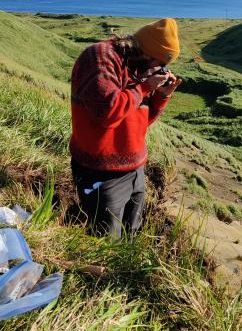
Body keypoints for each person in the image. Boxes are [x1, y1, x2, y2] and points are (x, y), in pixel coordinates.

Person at [69, 18, 181, 238]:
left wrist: (159, 96)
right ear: (146, 53)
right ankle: (99, 273)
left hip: (135, 168)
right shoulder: (100, 58)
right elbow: (106, 114)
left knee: (131, 233)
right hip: (101, 171)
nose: (161, 70)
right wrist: (144, 87)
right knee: (105, 239)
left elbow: (136, 121)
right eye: (160, 64)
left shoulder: (140, 70)